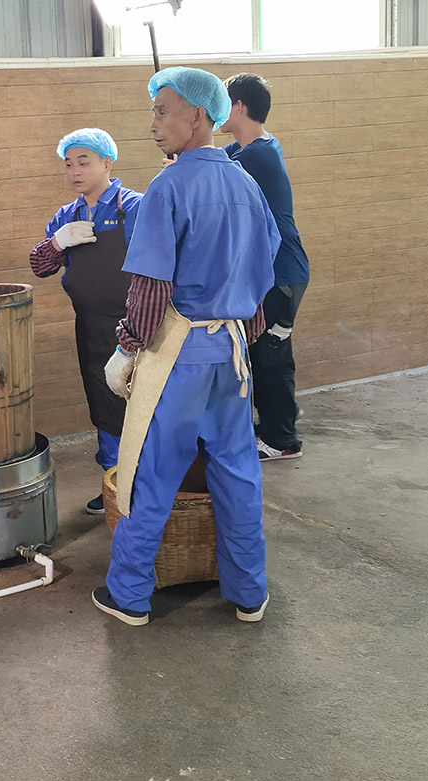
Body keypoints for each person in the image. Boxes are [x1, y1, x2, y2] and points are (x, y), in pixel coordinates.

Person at [95, 66, 280, 627]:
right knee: (238, 471)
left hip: (178, 356)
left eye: (161, 112)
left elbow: (151, 287)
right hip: (233, 356)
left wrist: (128, 346)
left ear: (197, 116)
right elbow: (262, 273)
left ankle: (129, 595)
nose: (152, 124)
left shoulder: (168, 187)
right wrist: (245, 335)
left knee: (150, 472)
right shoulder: (246, 184)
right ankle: (249, 592)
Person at [29, 128, 142, 515]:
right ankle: (113, 482)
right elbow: (40, 266)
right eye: (68, 164)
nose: (75, 171)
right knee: (103, 404)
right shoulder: (68, 216)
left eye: (84, 162)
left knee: (143, 404)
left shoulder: (135, 206)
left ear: (107, 163)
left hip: (138, 327)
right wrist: (57, 243)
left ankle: (148, 484)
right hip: (91, 327)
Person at [221, 73, 310, 461]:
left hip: (283, 273)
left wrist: (180, 166)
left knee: (271, 357)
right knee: (264, 353)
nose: (217, 112)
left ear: (239, 106)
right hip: (272, 273)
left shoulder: (257, 155)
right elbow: (211, 159)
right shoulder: (247, 148)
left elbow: (212, 174)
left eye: (223, 104)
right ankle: (281, 417)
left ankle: (282, 439)